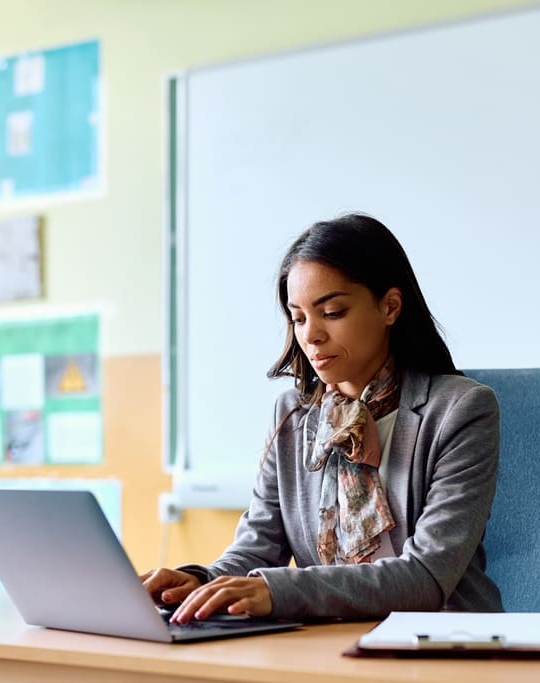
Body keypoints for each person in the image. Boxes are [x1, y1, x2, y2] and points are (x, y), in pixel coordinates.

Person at [142, 212, 503, 623]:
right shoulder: (293, 414)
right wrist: (200, 582)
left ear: (390, 307)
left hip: (444, 644)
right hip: (330, 642)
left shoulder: (461, 410)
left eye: (331, 312)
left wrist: (279, 590)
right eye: (298, 317)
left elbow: (426, 577)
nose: (310, 335)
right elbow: (257, 549)